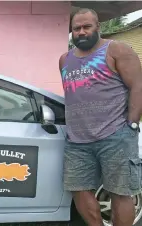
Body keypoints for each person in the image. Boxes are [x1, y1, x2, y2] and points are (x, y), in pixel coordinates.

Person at [59, 8, 142, 226]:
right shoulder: (64, 59)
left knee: (120, 192)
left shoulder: (116, 50)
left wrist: (131, 124)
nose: (81, 32)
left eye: (87, 27)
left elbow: (138, 86)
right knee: (78, 190)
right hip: (77, 140)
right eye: (76, 28)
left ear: (98, 27)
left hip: (115, 135)